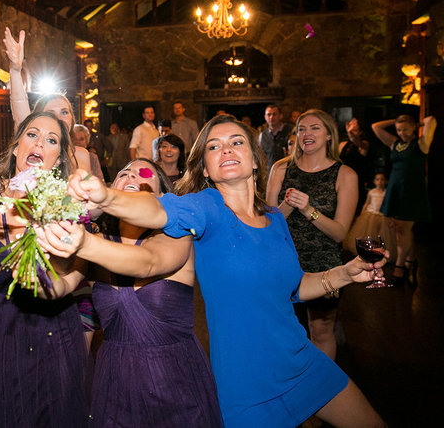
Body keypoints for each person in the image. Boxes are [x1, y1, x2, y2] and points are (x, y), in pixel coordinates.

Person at [61, 114, 387, 428]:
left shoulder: (275, 219)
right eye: (214, 146)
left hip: (300, 360)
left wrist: (345, 273)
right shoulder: (206, 207)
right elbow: (157, 209)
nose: (226, 149)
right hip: (244, 383)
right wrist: (106, 196)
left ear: (255, 159)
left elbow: (295, 287)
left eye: (236, 142)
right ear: (205, 168)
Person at [36, 159, 223, 427]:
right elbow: (60, 286)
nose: (132, 176)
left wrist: (83, 243)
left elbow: (149, 262)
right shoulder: (98, 242)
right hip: (115, 382)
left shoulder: (177, 233)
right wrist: (31, 269)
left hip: (174, 378)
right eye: (124, 173)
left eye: (143, 173)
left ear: (162, 196)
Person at [0, 111, 89, 428]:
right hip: (2, 322)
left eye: (51, 140)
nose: (39, 143)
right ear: (16, 147)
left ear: (57, 160)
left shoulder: (65, 203)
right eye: (32, 134)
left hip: (53, 321)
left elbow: (71, 268)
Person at [266, 109, 358, 361]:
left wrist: (308, 210)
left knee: (321, 331)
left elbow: (340, 233)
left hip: (324, 264)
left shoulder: (345, 175)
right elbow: (267, 225)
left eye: (315, 128)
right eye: (301, 129)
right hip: (284, 263)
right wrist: (288, 205)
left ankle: (323, 383)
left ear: (329, 135)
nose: (307, 134)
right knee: (286, 330)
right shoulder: (281, 169)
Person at [4, 27, 92, 173]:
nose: (59, 117)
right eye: (51, 113)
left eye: (64, 112)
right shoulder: (33, 145)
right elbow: (19, 102)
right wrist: (15, 70)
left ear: (72, 119)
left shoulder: (81, 155)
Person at [372, 114, 437, 285]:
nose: (401, 133)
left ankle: (400, 266)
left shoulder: (421, 144)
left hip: (411, 192)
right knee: (401, 229)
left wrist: (417, 123)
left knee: (402, 229)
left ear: (414, 128)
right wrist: (395, 121)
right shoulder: (395, 143)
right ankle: (411, 260)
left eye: (405, 129)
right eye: (399, 130)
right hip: (396, 190)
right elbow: (376, 127)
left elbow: (431, 120)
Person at [344, 172, 396, 260]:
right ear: (374, 181)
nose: (380, 181)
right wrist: (361, 214)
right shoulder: (371, 192)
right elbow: (366, 204)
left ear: (386, 181)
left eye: (382, 179)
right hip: (370, 214)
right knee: (368, 233)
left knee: (381, 235)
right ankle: (367, 250)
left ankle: (378, 252)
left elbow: (390, 206)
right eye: (377, 179)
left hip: (382, 216)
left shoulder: (387, 193)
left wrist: (391, 218)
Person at [338, 117, 373, 211]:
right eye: (351, 130)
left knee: (355, 208)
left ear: (360, 132)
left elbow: (356, 141)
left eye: (355, 130)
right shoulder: (342, 144)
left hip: (356, 180)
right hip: (343, 179)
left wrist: (350, 132)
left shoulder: (364, 144)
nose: (352, 132)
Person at [259, 104, 291, 169]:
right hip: (270, 172)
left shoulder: (290, 131)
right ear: (265, 117)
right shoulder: (262, 136)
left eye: (274, 114)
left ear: (280, 116)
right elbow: (261, 157)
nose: (271, 117)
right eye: (269, 115)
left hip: (288, 170)